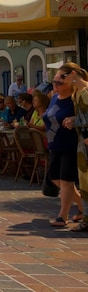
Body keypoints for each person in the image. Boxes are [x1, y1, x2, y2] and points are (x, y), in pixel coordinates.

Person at [44, 63, 86, 228]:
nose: (56, 85)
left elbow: (84, 117)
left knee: (66, 180)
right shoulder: (54, 97)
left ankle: (63, 215)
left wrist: (74, 119)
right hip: (55, 145)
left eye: (60, 83)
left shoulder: (75, 99)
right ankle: (83, 207)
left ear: (69, 82)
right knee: (55, 178)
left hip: (70, 144)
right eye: (54, 82)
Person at [65, 63, 88, 232]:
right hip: (82, 143)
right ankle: (86, 219)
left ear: (73, 74)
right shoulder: (76, 94)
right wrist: (73, 119)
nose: (64, 81)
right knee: (85, 183)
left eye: (64, 77)